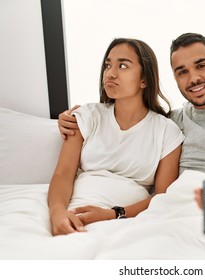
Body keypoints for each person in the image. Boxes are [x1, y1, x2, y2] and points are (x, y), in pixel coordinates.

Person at [58, 33, 205, 220]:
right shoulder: (174, 122)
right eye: (182, 72)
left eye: (201, 65)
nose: (193, 78)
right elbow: (136, 123)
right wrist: (73, 117)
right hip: (185, 208)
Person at [48, 38, 184, 236]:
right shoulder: (87, 116)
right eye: (107, 65)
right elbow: (63, 174)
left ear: (144, 79)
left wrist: (112, 214)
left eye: (122, 65)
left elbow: (162, 197)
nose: (110, 74)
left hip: (128, 220)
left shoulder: (167, 131)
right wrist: (57, 212)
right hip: (76, 209)